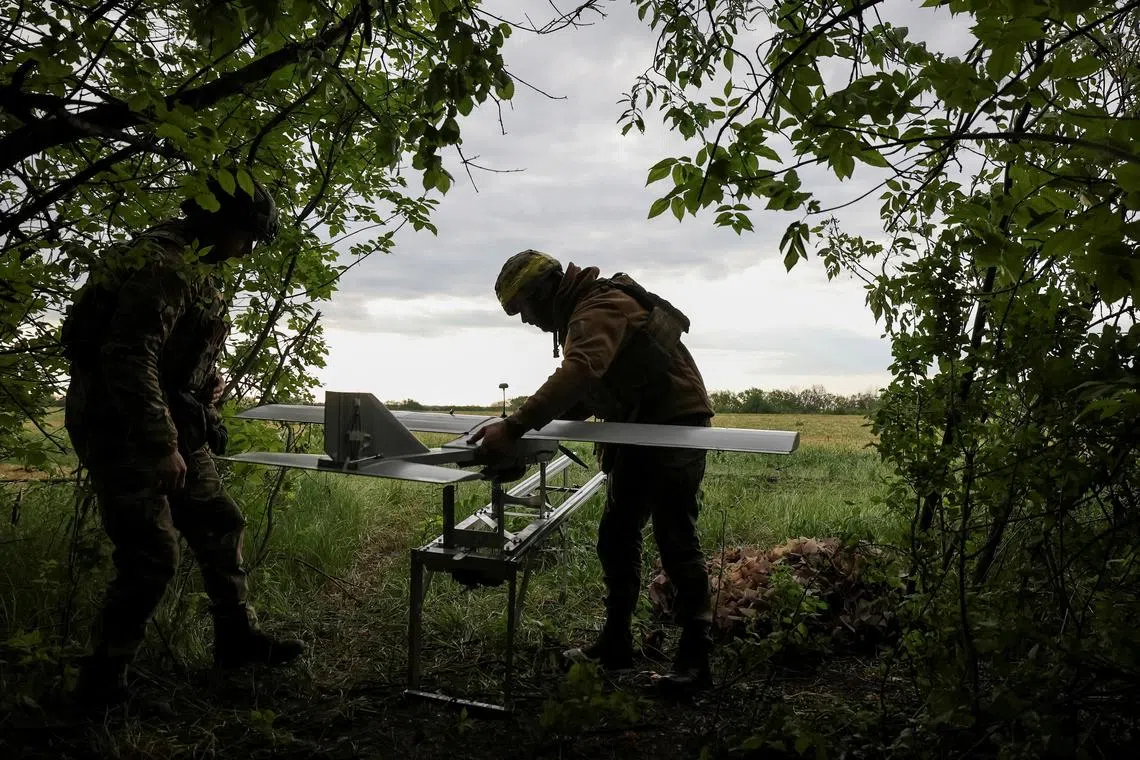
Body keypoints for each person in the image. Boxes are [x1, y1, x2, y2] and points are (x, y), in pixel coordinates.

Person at [60, 176, 305, 706]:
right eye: (245, 236)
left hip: (170, 421)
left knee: (218, 522)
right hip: (124, 427)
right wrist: (159, 444)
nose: (246, 250)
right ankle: (100, 685)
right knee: (151, 554)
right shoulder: (164, 264)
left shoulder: (196, 268)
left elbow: (169, 353)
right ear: (218, 222)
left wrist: (203, 383)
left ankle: (237, 640)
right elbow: (127, 356)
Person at [469, 250, 716, 690]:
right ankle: (616, 644)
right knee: (617, 535)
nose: (526, 320)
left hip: (674, 426)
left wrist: (515, 425)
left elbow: (581, 372)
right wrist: (527, 429)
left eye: (523, 307)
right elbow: (591, 389)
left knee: (675, 536)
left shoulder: (597, 307)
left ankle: (696, 660)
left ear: (545, 289)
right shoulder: (584, 311)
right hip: (637, 427)